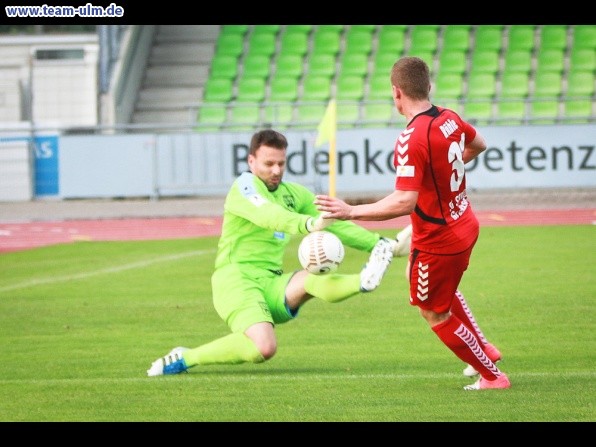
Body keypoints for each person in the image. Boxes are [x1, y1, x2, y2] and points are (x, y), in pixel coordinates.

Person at [314, 56, 510, 391]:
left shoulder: (411, 138)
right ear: (427, 86)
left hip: (440, 236)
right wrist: (446, 172)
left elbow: (404, 201)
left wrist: (350, 212)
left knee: (434, 312)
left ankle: (491, 374)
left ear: (396, 93)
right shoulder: (449, 118)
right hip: (462, 220)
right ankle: (484, 348)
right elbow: (479, 145)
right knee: (424, 282)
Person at [147, 129, 412, 377]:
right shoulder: (245, 187)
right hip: (236, 280)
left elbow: (335, 222)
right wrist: (307, 224)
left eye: (281, 164)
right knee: (264, 348)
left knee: (311, 279)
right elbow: (269, 215)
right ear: (251, 161)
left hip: (271, 282)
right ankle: (186, 357)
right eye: (268, 164)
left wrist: (380, 243)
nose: (276, 170)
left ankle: (364, 281)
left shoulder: (293, 193)